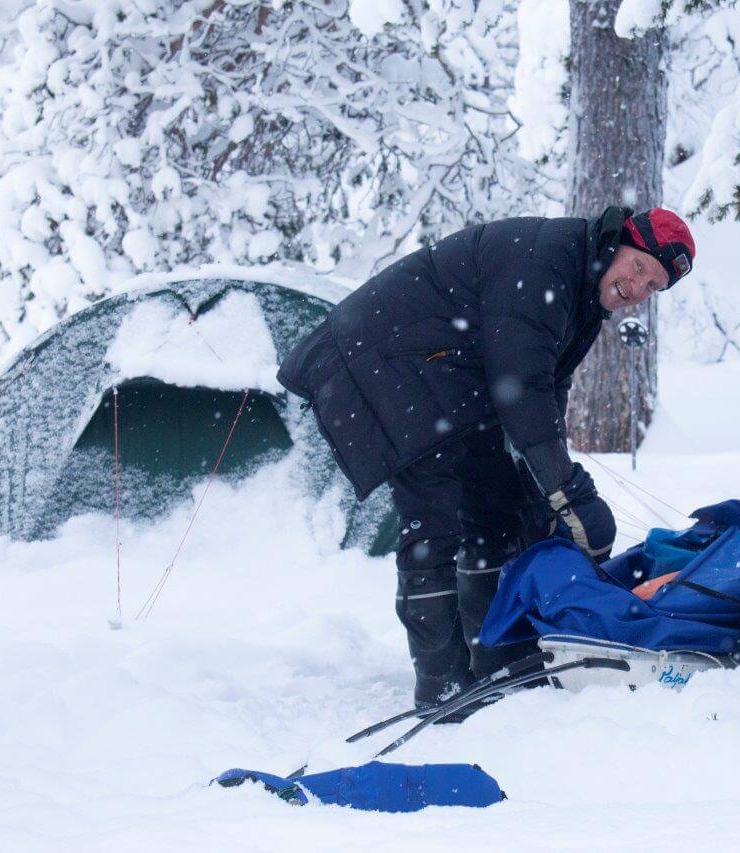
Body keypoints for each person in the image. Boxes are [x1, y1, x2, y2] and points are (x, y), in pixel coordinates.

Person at [277, 206, 697, 705]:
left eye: (653, 286)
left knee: (500, 511)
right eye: (640, 267)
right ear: (617, 243)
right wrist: (567, 488)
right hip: (384, 365)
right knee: (433, 522)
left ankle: (493, 661)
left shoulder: (582, 294)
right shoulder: (548, 261)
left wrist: (546, 481)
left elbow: (549, 385)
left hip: (446, 382)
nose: (639, 287)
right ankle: (444, 687)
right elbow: (519, 383)